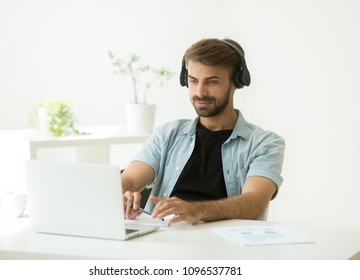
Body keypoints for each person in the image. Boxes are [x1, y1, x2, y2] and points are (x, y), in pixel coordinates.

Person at [122, 38, 285, 225]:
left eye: (212, 81)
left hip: (225, 247)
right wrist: (120, 194)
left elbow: (254, 203)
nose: (200, 92)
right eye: (193, 81)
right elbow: (128, 180)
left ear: (236, 83)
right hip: (164, 242)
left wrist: (196, 210)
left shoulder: (265, 144)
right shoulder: (167, 134)